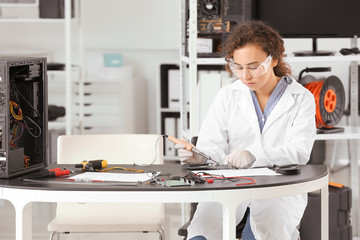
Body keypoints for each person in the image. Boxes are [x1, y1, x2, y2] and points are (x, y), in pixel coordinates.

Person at [175, 21, 316, 240]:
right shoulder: (227, 95)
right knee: (202, 235)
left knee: (259, 234)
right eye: (238, 67)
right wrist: (197, 155)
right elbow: (212, 145)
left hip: (278, 188)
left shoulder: (301, 98)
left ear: (274, 59)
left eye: (254, 66)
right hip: (229, 184)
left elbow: (299, 151)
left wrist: (254, 155)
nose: (245, 76)